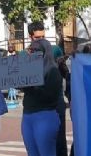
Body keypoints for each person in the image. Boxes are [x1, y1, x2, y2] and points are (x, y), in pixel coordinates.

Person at [28, 22, 66, 156]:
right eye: (38, 38)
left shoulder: (55, 50)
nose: (42, 40)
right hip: (34, 106)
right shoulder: (25, 54)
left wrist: (61, 65)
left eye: (43, 36)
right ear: (30, 37)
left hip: (56, 102)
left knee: (60, 142)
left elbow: (64, 74)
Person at [21, 39, 62, 156]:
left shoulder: (52, 71)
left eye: (36, 50)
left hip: (45, 116)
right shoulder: (28, 69)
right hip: (27, 116)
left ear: (45, 52)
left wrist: (32, 87)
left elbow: (51, 96)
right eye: (31, 49)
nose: (32, 52)